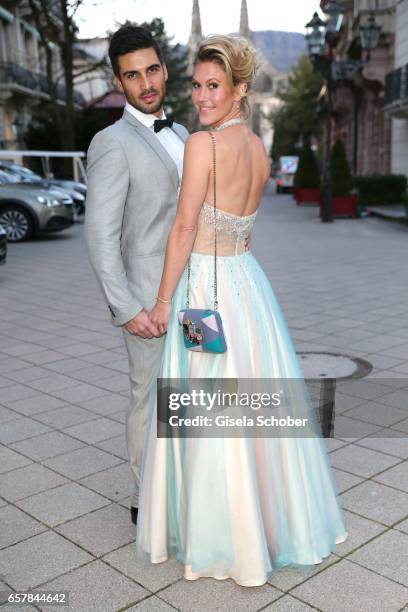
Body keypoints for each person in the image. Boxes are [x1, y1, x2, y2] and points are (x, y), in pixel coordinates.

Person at [135, 34, 348, 587]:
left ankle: (223, 538)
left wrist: (162, 302)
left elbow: (184, 229)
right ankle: (267, 525)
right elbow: (242, 226)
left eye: (214, 86)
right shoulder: (257, 147)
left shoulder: (202, 146)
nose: (202, 97)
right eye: (197, 85)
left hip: (204, 291)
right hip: (247, 287)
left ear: (240, 89)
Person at [84, 25, 189, 526]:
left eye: (151, 69)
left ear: (164, 69)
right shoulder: (111, 143)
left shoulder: (185, 135)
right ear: (118, 81)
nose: (146, 83)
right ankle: (145, 496)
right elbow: (100, 237)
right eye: (132, 75)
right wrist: (126, 308)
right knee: (147, 395)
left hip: (198, 293)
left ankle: (186, 485)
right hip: (148, 300)